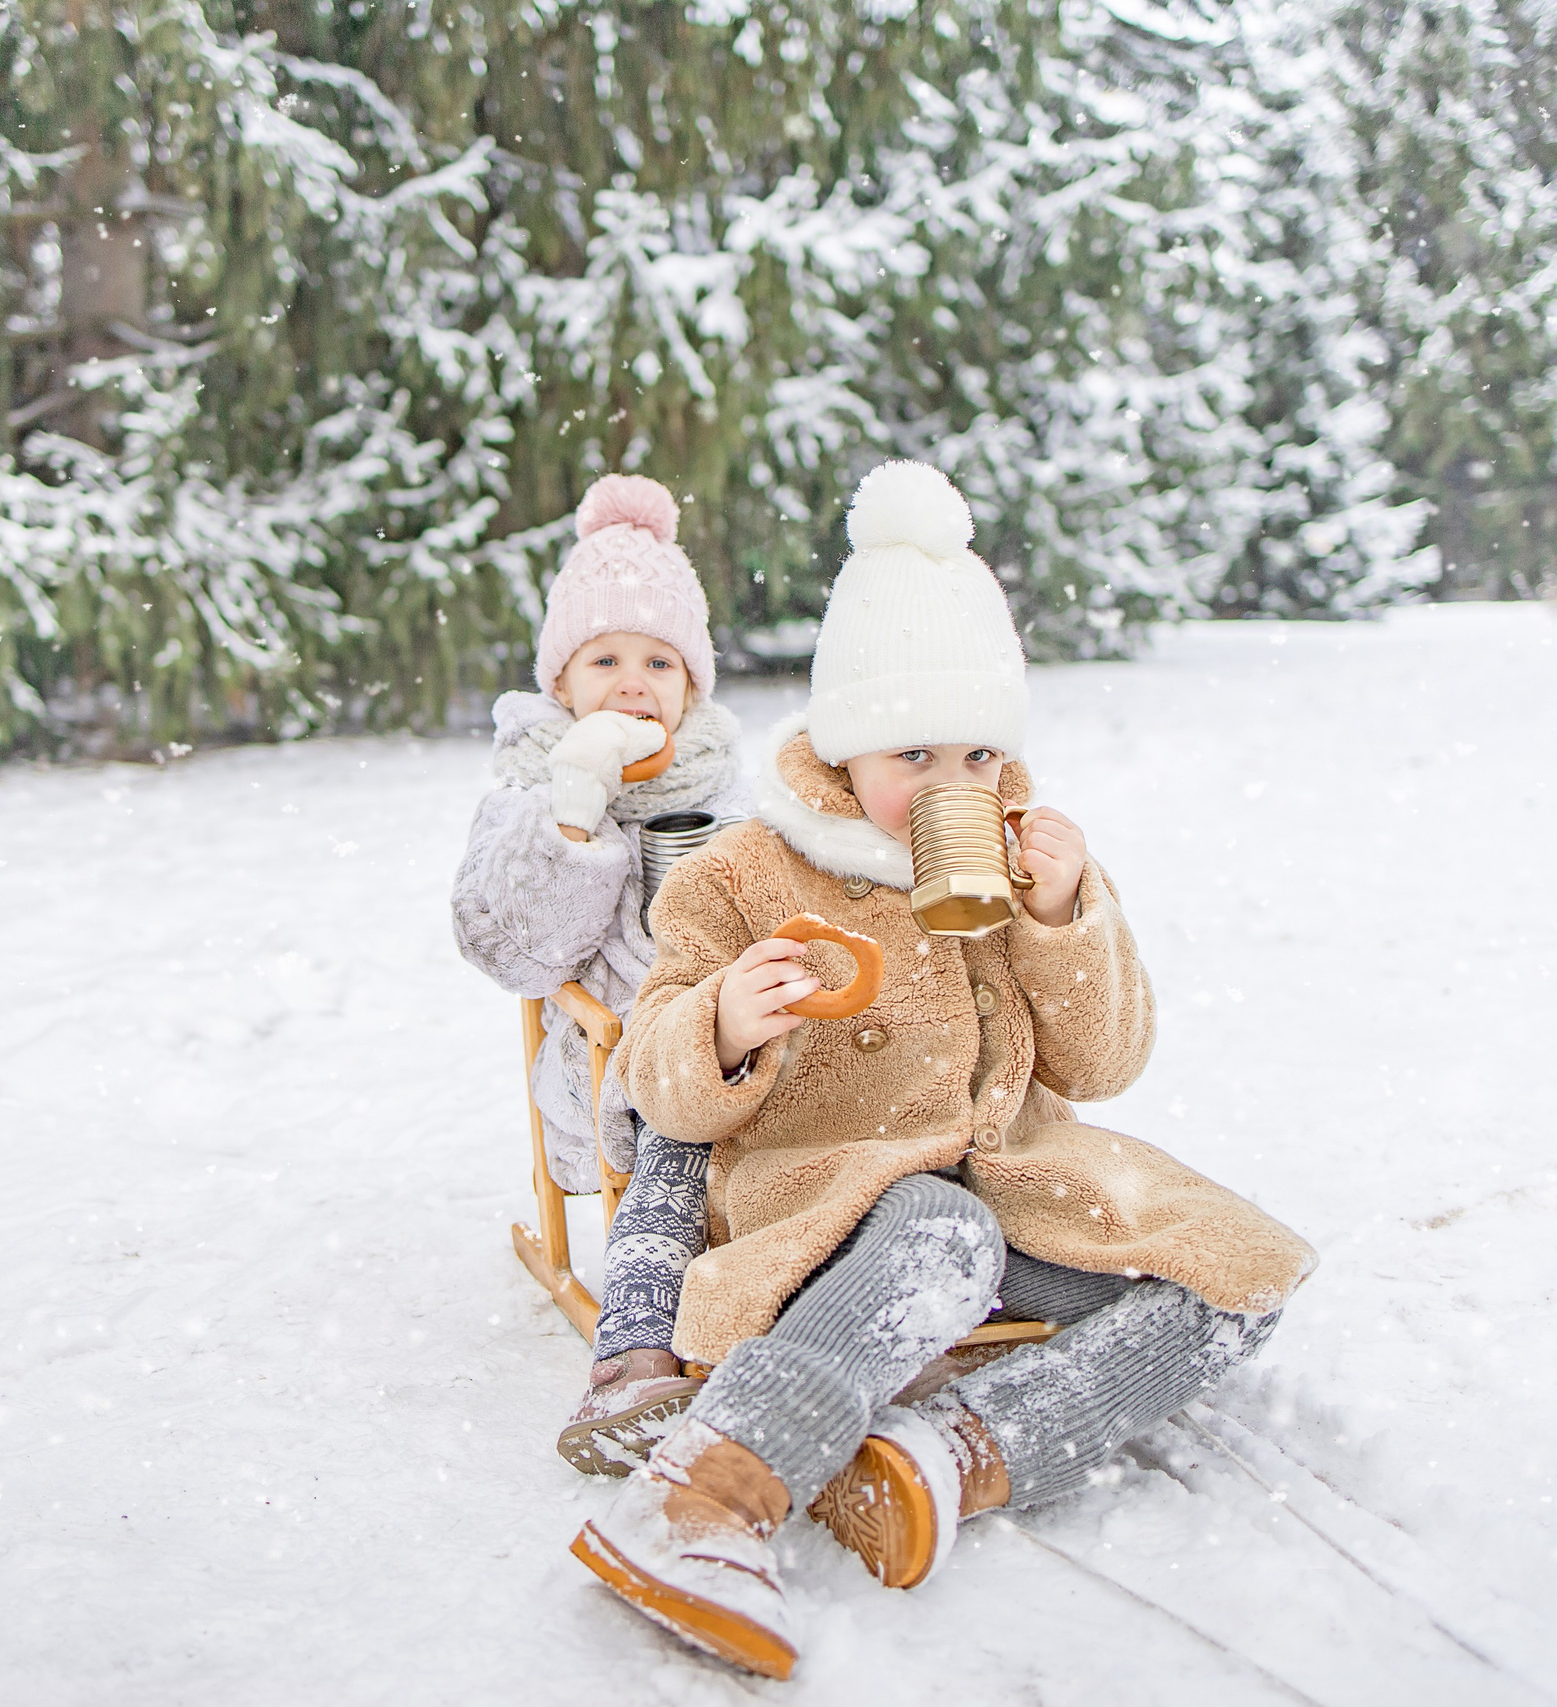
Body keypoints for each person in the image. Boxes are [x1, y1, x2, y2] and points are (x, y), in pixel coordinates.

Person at [570, 460, 1316, 1679]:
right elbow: (651, 1077)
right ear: (847, 750)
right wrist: (725, 1021)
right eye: (913, 753)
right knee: (938, 1233)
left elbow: (1106, 1060)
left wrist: (1066, 915)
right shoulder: (746, 875)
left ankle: (945, 1456)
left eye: (977, 755)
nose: (950, 785)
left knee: (1235, 1280)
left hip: (1013, 1182)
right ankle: (705, 1495)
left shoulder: (1021, 866)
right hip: (835, 1195)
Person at [450, 473, 753, 1474]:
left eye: (660, 660)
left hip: (735, 1043)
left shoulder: (726, 789)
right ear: (562, 683)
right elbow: (517, 953)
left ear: (692, 684)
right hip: (609, 1063)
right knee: (679, 1125)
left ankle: (799, 1283)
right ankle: (646, 1339)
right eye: (606, 658)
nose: (634, 682)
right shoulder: (528, 792)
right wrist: (576, 806)